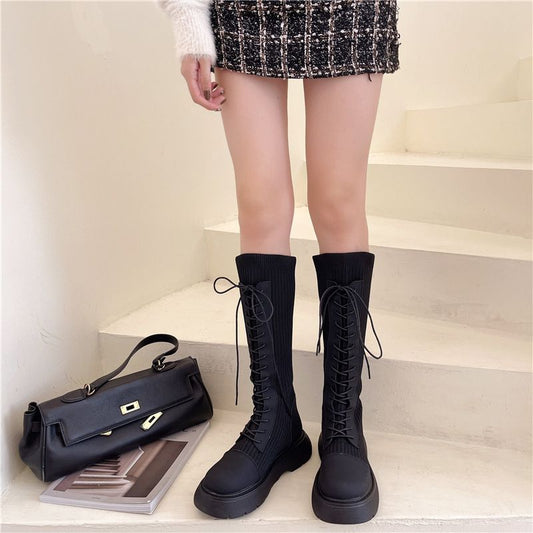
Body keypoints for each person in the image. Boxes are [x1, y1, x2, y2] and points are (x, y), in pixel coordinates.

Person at [157, 0, 399, 524]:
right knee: (260, 203)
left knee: (338, 200)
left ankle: (342, 425)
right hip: (243, 11)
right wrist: (188, 20)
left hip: (348, 10)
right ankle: (275, 420)